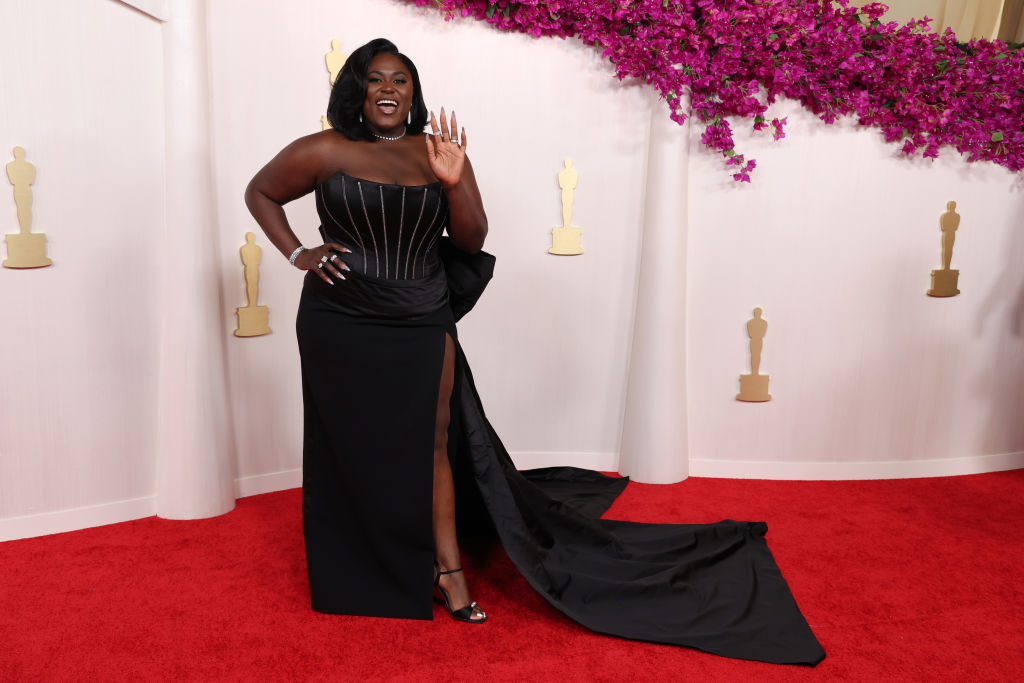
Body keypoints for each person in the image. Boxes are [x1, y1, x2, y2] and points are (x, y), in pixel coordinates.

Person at [246, 38, 825, 665]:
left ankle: (448, 571)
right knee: (348, 440)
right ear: (356, 89)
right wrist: (299, 253)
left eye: (400, 80)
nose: (388, 89)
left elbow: (472, 238)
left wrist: (455, 180)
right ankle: (360, 571)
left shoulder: (437, 152)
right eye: (375, 78)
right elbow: (260, 192)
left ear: (414, 93)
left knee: (431, 443)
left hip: (418, 314)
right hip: (339, 318)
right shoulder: (323, 149)